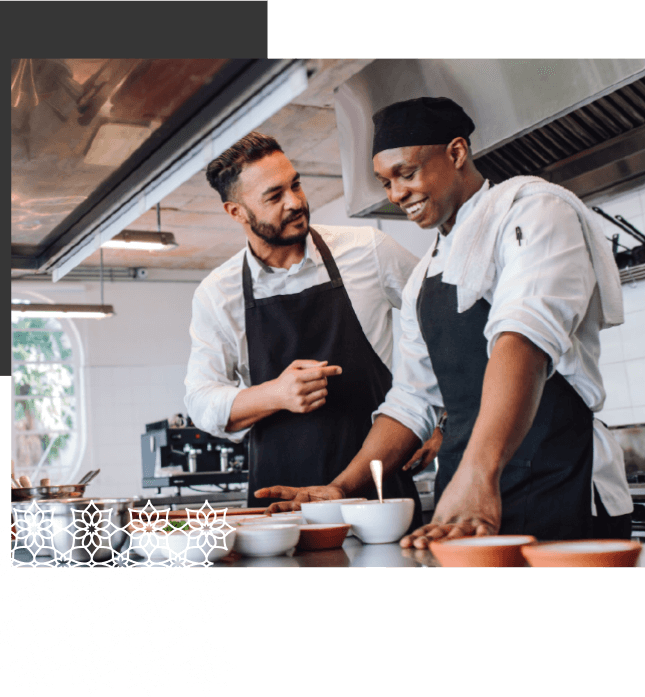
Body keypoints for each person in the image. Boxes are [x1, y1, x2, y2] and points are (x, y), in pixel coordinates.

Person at [257, 97, 633, 548]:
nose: (395, 195)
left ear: (456, 153)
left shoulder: (534, 212)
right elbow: (412, 403)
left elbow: (524, 341)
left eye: (407, 173)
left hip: (559, 480)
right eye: (385, 182)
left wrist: (480, 471)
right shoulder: (422, 278)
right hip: (465, 500)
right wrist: (342, 486)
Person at [184, 131, 436, 527]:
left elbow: (445, 322)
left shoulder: (368, 250)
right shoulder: (218, 293)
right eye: (274, 196)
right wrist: (276, 394)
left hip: (378, 495)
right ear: (236, 212)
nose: (296, 202)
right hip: (280, 510)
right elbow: (200, 400)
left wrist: (443, 421)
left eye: (296, 184)